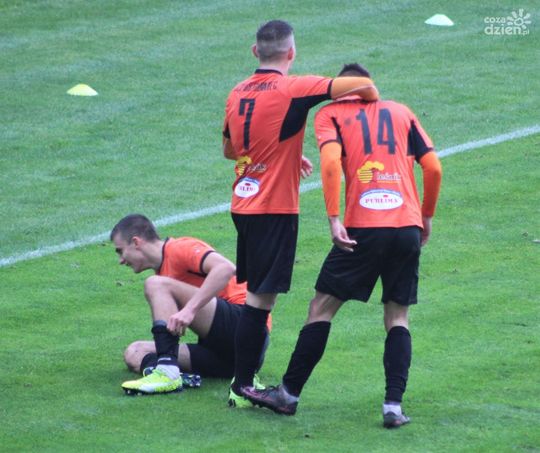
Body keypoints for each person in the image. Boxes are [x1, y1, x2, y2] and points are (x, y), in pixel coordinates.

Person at [243, 63, 442, 429]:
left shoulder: (330, 115)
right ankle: (393, 407)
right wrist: (425, 216)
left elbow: (332, 161)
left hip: (362, 229)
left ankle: (288, 395)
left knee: (321, 308)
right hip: (406, 228)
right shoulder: (401, 112)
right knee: (397, 317)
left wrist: (334, 217)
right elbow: (433, 168)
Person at [222, 20, 380, 407]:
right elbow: (361, 85)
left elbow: (231, 151)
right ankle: (242, 387)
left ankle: (242, 382)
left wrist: (286, 153)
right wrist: (373, 99)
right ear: (291, 53)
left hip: (243, 204)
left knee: (257, 296)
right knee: (259, 302)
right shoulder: (294, 87)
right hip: (273, 210)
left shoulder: (237, 92)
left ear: (255, 51)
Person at [110, 214, 270, 397]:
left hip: (246, 332)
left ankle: (167, 372)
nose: (121, 260)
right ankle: (174, 375)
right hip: (224, 359)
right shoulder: (163, 273)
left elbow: (225, 268)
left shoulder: (178, 248)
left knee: (155, 284)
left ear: (136, 242)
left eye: (120, 251)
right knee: (135, 351)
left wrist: (189, 310)